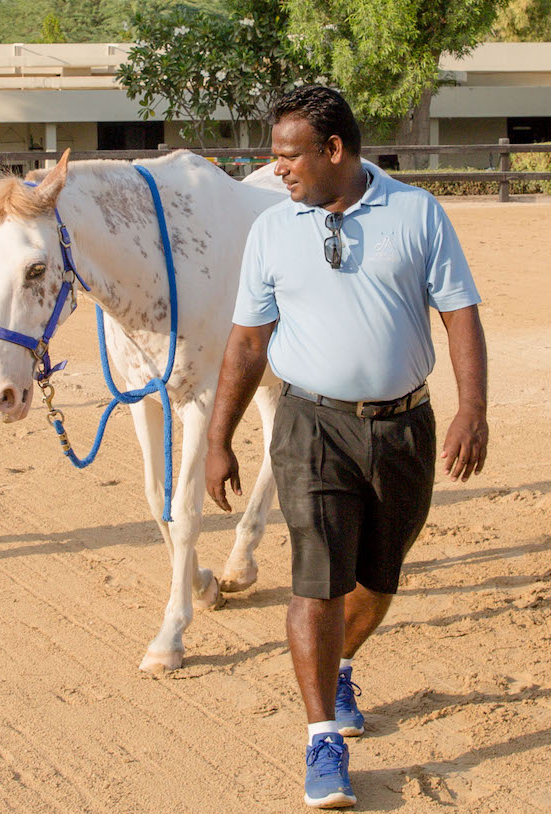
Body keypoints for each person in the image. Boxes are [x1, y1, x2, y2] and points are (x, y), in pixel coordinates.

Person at [205, 85, 488, 809]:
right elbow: (245, 344)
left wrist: (472, 410)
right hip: (310, 425)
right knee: (316, 579)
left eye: (289, 155)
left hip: (404, 428)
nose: (277, 170)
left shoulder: (418, 213)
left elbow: (460, 315)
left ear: (334, 151)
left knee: (379, 578)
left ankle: (338, 665)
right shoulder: (272, 229)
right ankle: (321, 737)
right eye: (273, 157)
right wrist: (220, 439)